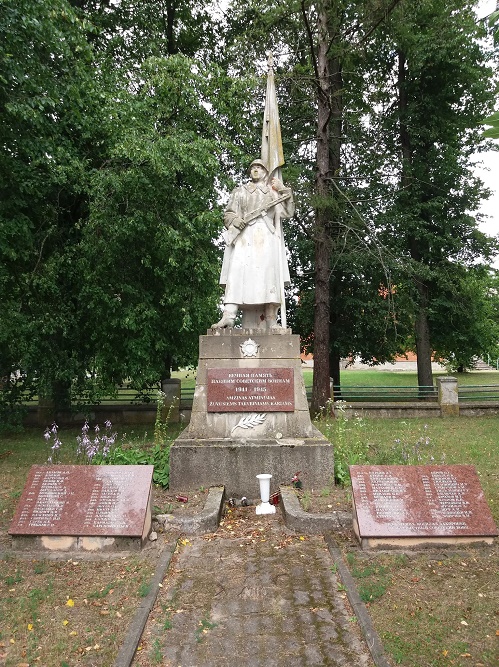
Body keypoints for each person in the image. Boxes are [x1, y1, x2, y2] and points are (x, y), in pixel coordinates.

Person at [212, 159, 294, 330]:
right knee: (236, 273)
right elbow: (228, 215)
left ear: (265, 171)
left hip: (266, 238)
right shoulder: (240, 191)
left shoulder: (273, 193)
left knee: (268, 277)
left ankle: (271, 319)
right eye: (253, 168)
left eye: (259, 167)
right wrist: (235, 220)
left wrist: (284, 190)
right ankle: (229, 315)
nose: (256, 170)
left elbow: (287, 213)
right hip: (244, 237)